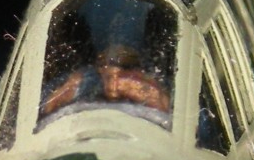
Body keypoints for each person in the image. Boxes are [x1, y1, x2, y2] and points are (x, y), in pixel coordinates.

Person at [41, 44, 170, 116]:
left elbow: (168, 111)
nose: (113, 85)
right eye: (108, 76)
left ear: (136, 73)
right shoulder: (83, 82)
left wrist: (149, 94)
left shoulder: (154, 87)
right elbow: (45, 107)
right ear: (99, 70)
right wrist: (69, 89)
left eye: (123, 76)